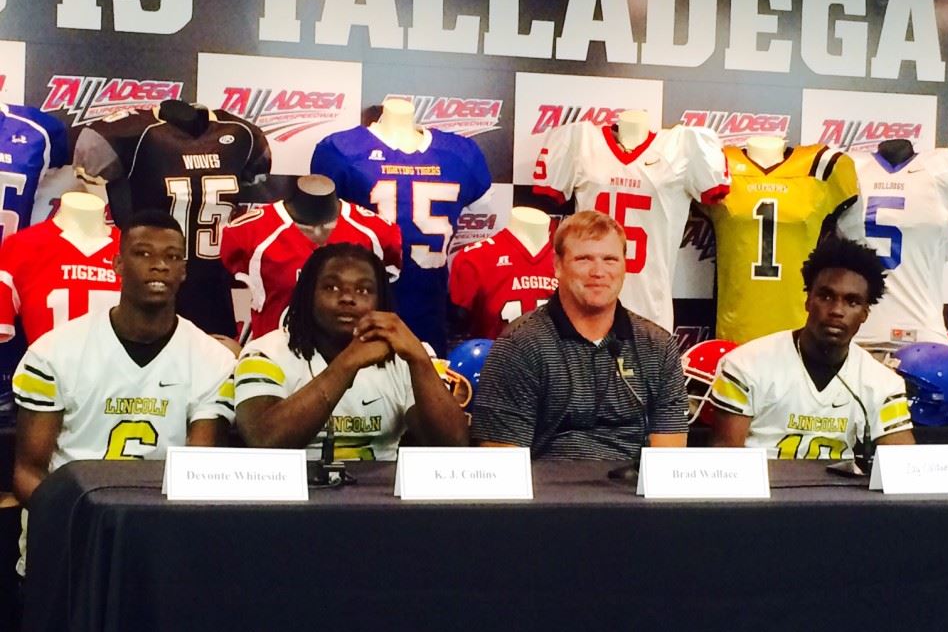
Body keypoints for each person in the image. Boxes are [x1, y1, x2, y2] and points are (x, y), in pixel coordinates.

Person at [11, 210, 237, 571]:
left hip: (161, 541)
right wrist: (86, 524)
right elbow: (28, 472)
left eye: (172, 256)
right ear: (117, 263)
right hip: (72, 541)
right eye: (143, 253)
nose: (159, 265)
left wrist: (149, 534)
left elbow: (199, 474)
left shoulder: (213, 361)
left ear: (184, 270)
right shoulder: (53, 352)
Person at [471, 210, 689, 459]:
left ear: (625, 267)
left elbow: (669, 462)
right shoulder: (519, 345)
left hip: (632, 493)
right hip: (549, 494)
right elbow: (502, 464)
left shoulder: (658, 346)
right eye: (584, 259)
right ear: (557, 266)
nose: (598, 271)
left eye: (610, 259)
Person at [234, 243, 467, 460]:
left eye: (364, 290)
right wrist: (348, 362)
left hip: (382, 498)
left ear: (380, 300)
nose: (347, 298)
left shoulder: (408, 355)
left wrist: (419, 361)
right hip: (293, 498)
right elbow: (264, 444)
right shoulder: (264, 353)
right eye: (331, 287)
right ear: (307, 294)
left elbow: (452, 448)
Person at [709, 237, 914, 459]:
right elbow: (725, 464)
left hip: (840, 494)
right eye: (826, 297)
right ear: (808, 301)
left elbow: (904, 468)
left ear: (865, 313)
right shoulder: (745, 365)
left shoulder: (882, 384)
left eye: (852, 302)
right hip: (763, 492)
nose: (836, 310)